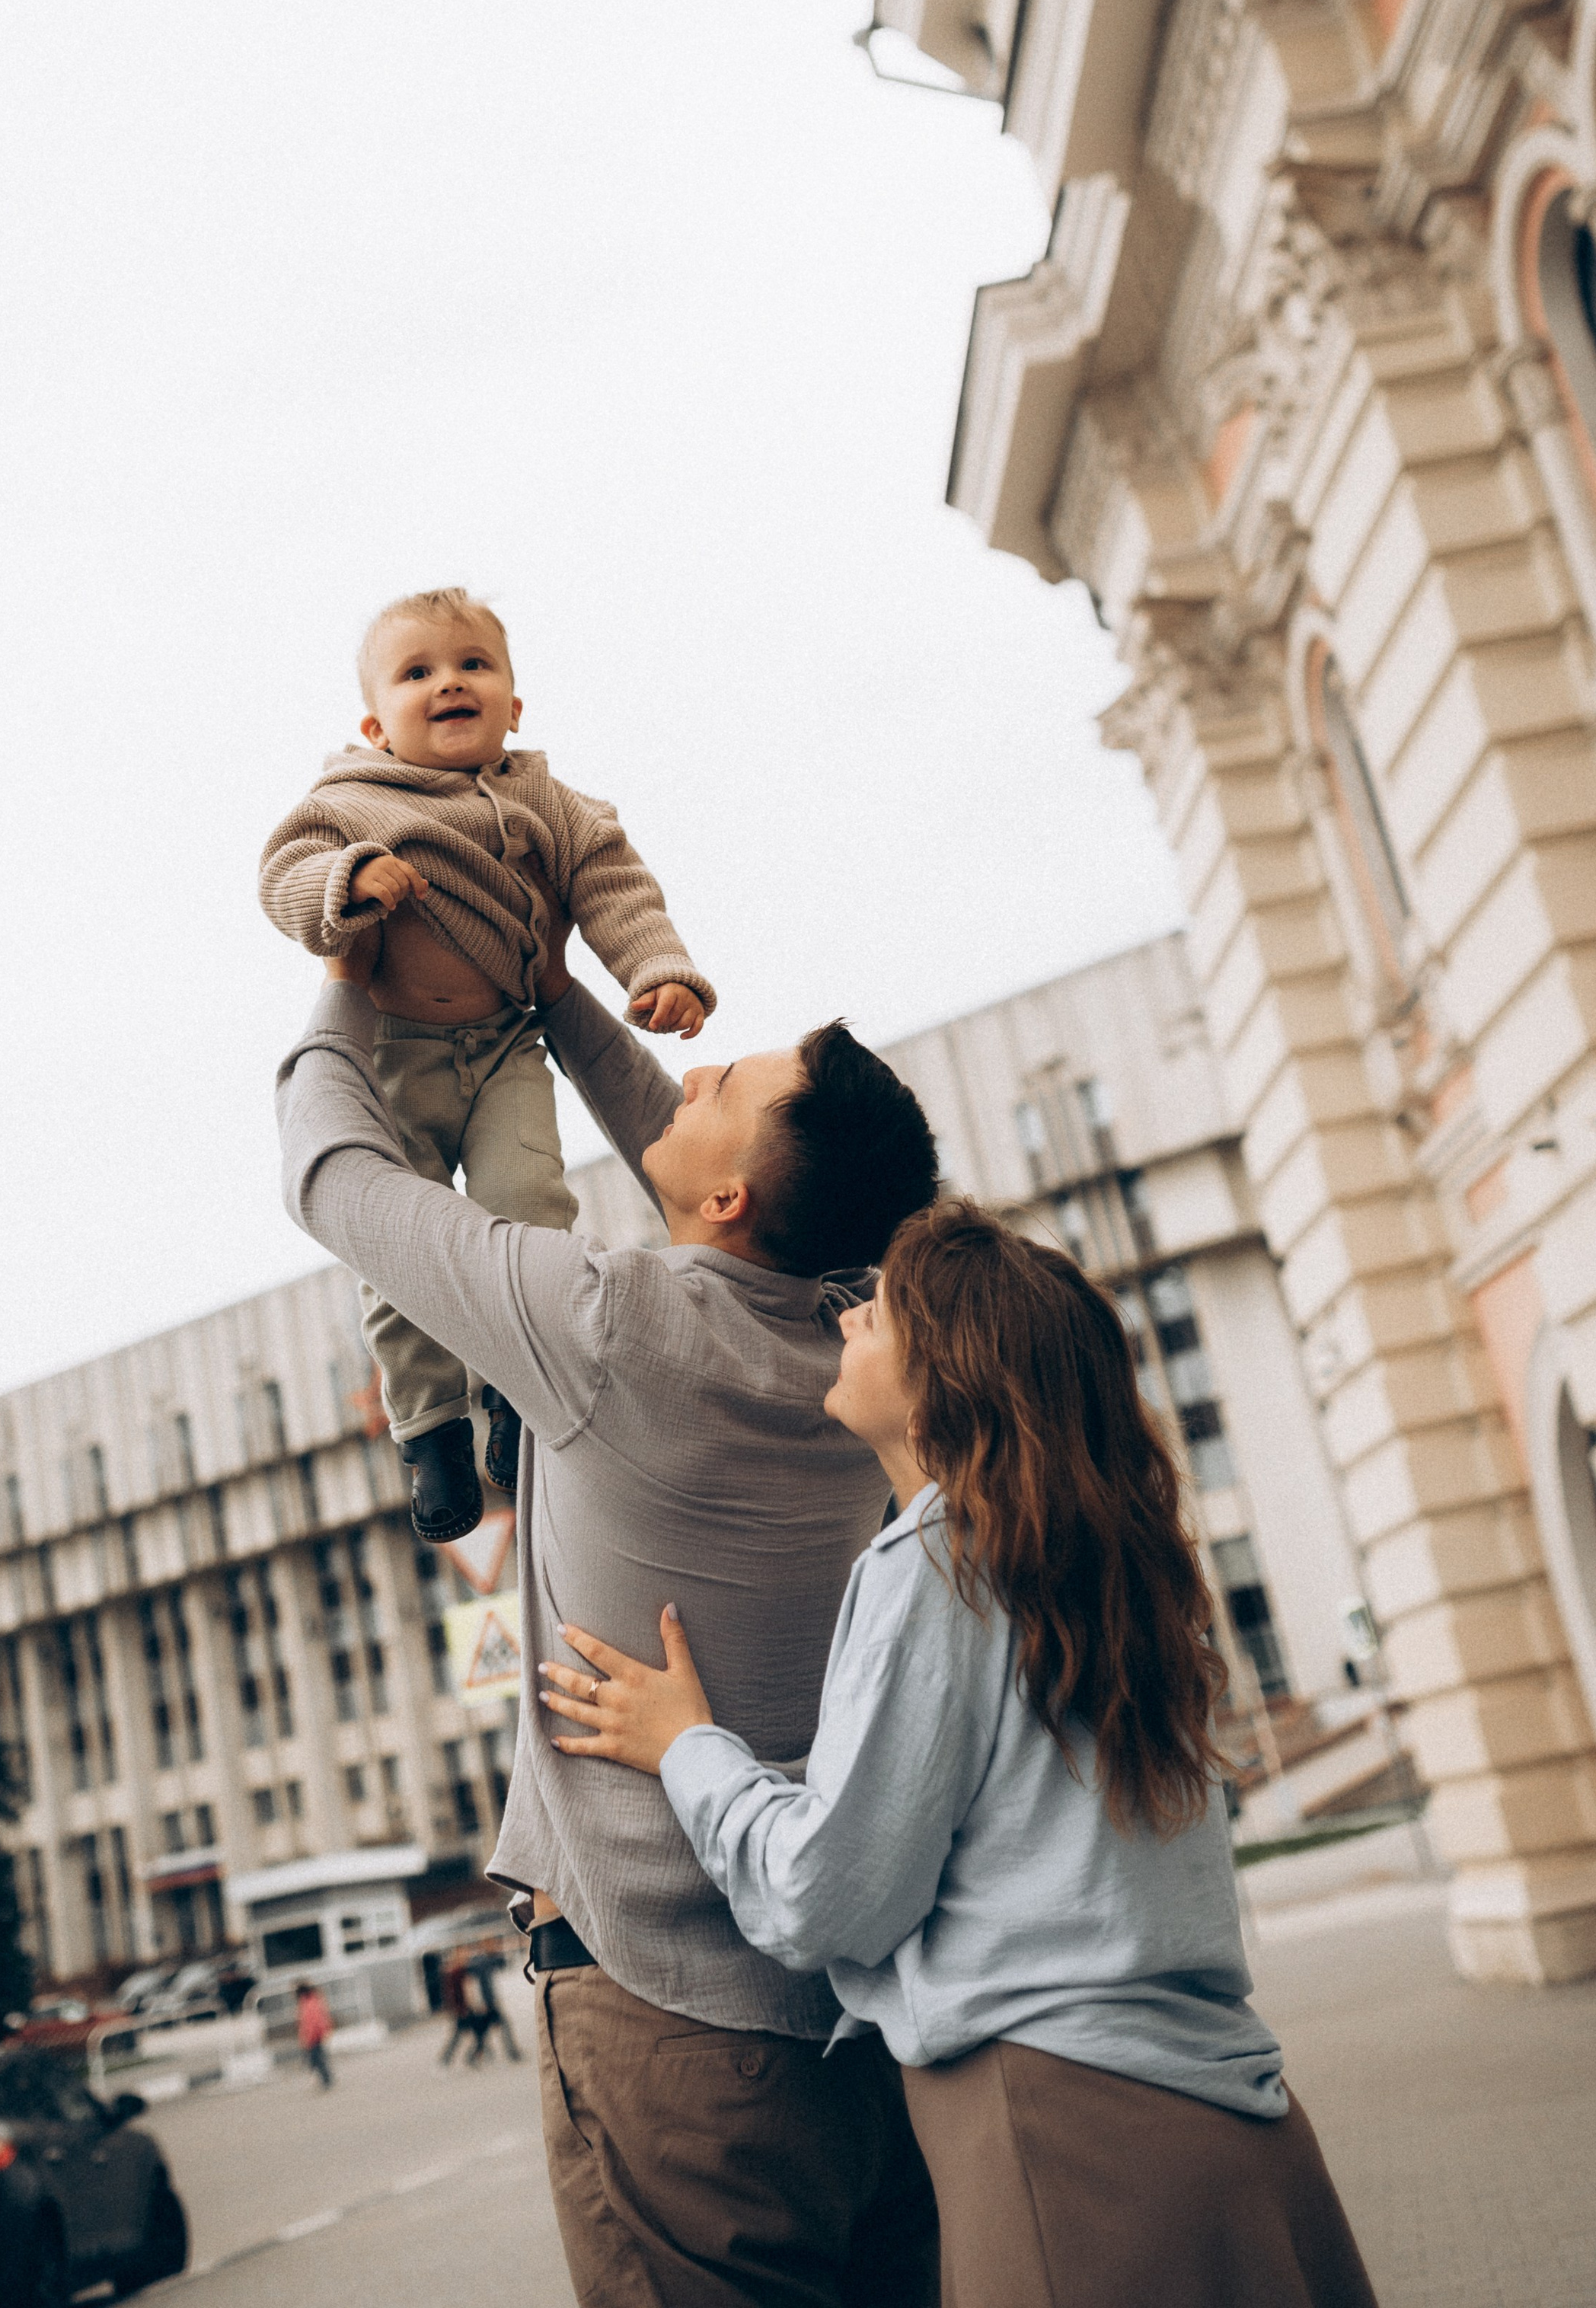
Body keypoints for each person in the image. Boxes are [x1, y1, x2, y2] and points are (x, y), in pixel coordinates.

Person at [276, 881, 943, 2305]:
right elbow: (685, 1154)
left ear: (731, 1200)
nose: (695, 1066)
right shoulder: (856, 1332)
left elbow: (332, 1174)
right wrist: (552, 979)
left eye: (732, 1078)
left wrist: (347, 971)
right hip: (864, 2026)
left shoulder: (608, 1329)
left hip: (676, 2031)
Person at [540, 1199, 1381, 2308]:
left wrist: (691, 1750)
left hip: (1064, 2148)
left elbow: (826, 1897)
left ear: (950, 1372)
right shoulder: (1097, 1569)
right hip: (1236, 2137)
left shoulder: (934, 1562)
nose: (846, 1327)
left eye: (878, 1315)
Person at [260, 586, 711, 1543]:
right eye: (418, 672)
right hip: (394, 1060)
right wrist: (344, 882)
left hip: (507, 1045)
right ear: (376, 723)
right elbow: (283, 876)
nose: (449, 682)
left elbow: (614, 884)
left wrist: (656, 967)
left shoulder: (551, 802)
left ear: (514, 703)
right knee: (404, 1251)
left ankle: (513, 1389)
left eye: (473, 665)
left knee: (530, 1208)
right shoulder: (347, 803)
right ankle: (426, 1423)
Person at [294, 1978, 334, 2091]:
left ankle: (326, 2079)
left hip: (313, 2036)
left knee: (315, 2059)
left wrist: (307, 2038)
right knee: (318, 2057)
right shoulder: (313, 2000)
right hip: (316, 2034)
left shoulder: (307, 2003)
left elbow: (310, 2022)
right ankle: (326, 2079)